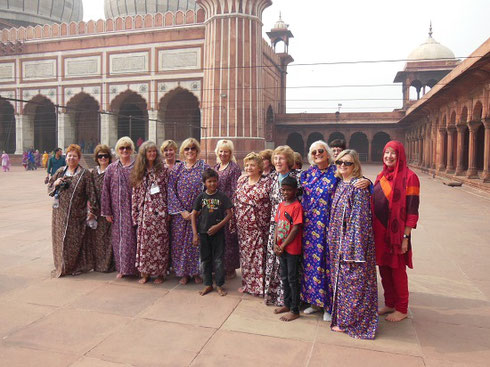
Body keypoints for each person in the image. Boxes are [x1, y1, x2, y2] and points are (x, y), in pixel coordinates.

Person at [328, 149, 378, 339]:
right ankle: (343, 319)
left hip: (351, 248)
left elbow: (360, 221)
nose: (342, 166)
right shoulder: (341, 183)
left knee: (354, 284)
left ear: (355, 165)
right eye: (339, 162)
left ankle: (353, 323)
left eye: (347, 163)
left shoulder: (358, 187)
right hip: (337, 243)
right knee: (342, 284)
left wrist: (350, 251)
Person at [373, 141, 420, 323]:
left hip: (397, 234)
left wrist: (405, 237)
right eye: (386, 153)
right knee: (384, 269)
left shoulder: (410, 177)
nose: (389, 156)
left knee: (397, 271)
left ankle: (402, 308)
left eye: (393, 153)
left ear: (400, 155)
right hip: (380, 232)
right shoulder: (381, 175)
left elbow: (412, 210)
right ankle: (390, 303)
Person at [300, 141, 337, 322]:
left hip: (329, 226)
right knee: (312, 266)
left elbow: (353, 180)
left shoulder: (336, 172)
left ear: (328, 153)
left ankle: (328, 306)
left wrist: (365, 182)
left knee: (327, 265)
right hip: (310, 227)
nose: (317, 154)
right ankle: (314, 303)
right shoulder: (308, 174)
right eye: (313, 152)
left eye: (320, 151)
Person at [48, 144, 97, 277]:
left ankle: (74, 266)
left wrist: (92, 211)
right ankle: (62, 265)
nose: (71, 158)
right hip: (59, 214)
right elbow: (50, 189)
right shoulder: (60, 171)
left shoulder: (84, 173)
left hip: (77, 215)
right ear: (66, 157)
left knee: (74, 241)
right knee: (60, 240)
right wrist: (56, 183)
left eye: (74, 156)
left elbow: (91, 194)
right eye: (69, 155)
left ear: (79, 158)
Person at [168, 138, 210, 285]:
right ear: (183, 151)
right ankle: (183, 273)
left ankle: (196, 272)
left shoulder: (204, 167)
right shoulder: (177, 169)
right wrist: (181, 211)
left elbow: (210, 189)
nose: (190, 151)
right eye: (187, 149)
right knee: (179, 243)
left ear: (197, 151)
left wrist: (198, 210)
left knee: (196, 243)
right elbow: (171, 190)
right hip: (181, 215)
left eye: (193, 148)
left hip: (198, 213)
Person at [264, 145, 301, 306]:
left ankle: (293, 303)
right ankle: (279, 298)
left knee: (291, 268)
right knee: (276, 262)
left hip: (292, 226)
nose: (278, 161)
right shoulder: (271, 178)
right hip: (275, 225)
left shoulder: (299, 176)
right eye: (276, 158)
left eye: (282, 158)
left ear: (289, 160)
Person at [131, 141, 170, 284]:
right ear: (144, 154)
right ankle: (145, 273)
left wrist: (168, 212)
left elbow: (168, 191)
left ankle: (160, 273)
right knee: (144, 244)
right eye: (149, 152)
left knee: (160, 243)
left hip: (159, 212)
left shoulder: (163, 170)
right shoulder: (139, 171)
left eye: (154, 151)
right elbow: (135, 193)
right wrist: (135, 213)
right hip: (144, 214)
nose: (152, 154)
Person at [234, 152, 272, 296]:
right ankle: (248, 285)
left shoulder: (266, 182)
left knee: (259, 257)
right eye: (247, 165)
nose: (249, 168)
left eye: (252, 165)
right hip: (243, 227)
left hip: (259, 227)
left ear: (259, 167)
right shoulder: (241, 181)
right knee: (246, 257)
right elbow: (236, 200)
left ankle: (259, 287)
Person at [191, 168, 233, 296]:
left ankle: (219, 285)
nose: (212, 184)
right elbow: (194, 215)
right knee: (205, 259)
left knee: (219, 260)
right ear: (204, 183)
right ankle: (208, 284)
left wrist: (218, 226)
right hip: (203, 234)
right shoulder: (201, 197)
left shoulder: (222, 196)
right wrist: (195, 234)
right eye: (209, 181)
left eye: (215, 181)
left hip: (218, 234)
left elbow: (229, 214)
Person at [101, 137, 138, 279]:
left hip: (133, 209)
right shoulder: (112, 168)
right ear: (117, 150)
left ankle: (135, 268)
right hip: (117, 211)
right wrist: (107, 211)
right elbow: (106, 191)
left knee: (133, 240)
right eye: (122, 148)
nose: (124, 151)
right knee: (119, 240)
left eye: (127, 148)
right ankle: (122, 268)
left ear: (131, 149)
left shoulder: (136, 166)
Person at [272, 176, 303, 322]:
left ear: (295, 191)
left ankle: (294, 309)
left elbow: (296, 228)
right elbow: (278, 224)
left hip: (292, 249)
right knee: (283, 277)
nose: (285, 192)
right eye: (283, 190)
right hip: (281, 248)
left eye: (289, 190)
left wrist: (284, 245)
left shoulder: (296, 206)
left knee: (292, 278)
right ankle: (286, 303)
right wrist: (275, 243)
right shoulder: (281, 205)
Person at [213, 139, 242, 279]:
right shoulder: (216, 167)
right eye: (221, 151)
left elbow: (235, 190)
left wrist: (230, 208)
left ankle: (230, 268)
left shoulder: (234, 168)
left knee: (229, 239)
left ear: (230, 153)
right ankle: (219, 266)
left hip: (227, 209)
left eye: (226, 151)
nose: (223, 153)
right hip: (215, 208)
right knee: (218, 239)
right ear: (217, 152)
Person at [86, 144, 114, 273]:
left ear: (109, 157)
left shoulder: (113, 170)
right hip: (96, 210)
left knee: (108, 239)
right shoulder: (93, 172)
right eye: (100, 156)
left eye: (105, 156)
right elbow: (88, 191)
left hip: (110, 210)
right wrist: (90, 209)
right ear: (96, 158)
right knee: (97, 239)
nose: (103, 158)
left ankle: (108, 265)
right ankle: (97, 263)